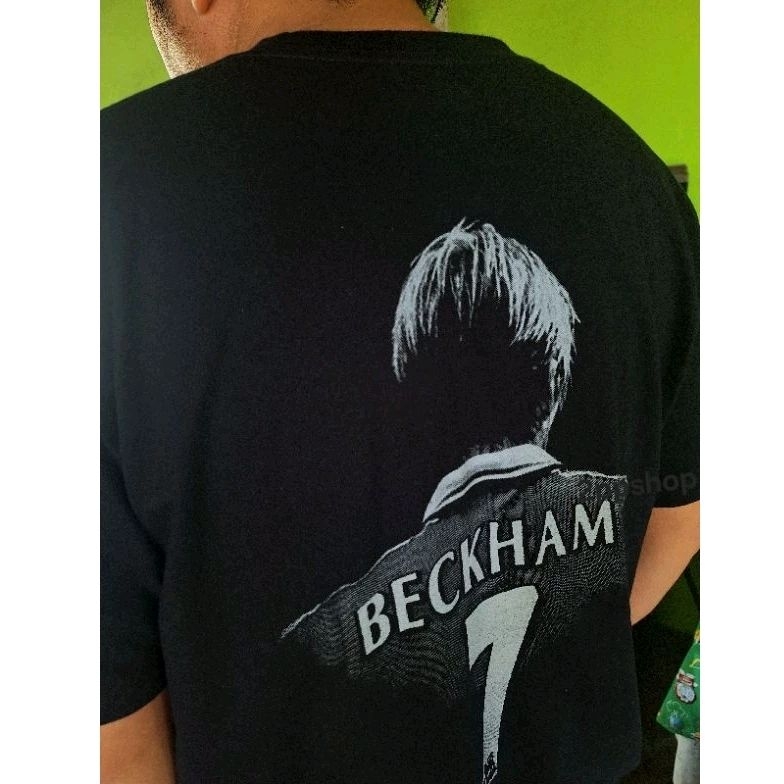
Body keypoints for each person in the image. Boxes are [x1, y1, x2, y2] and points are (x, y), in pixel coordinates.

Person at [101, 2, 700, 783]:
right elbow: (685, 511)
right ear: (553, 364)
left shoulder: (96, 202)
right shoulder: (631, 176)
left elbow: (110, 742)